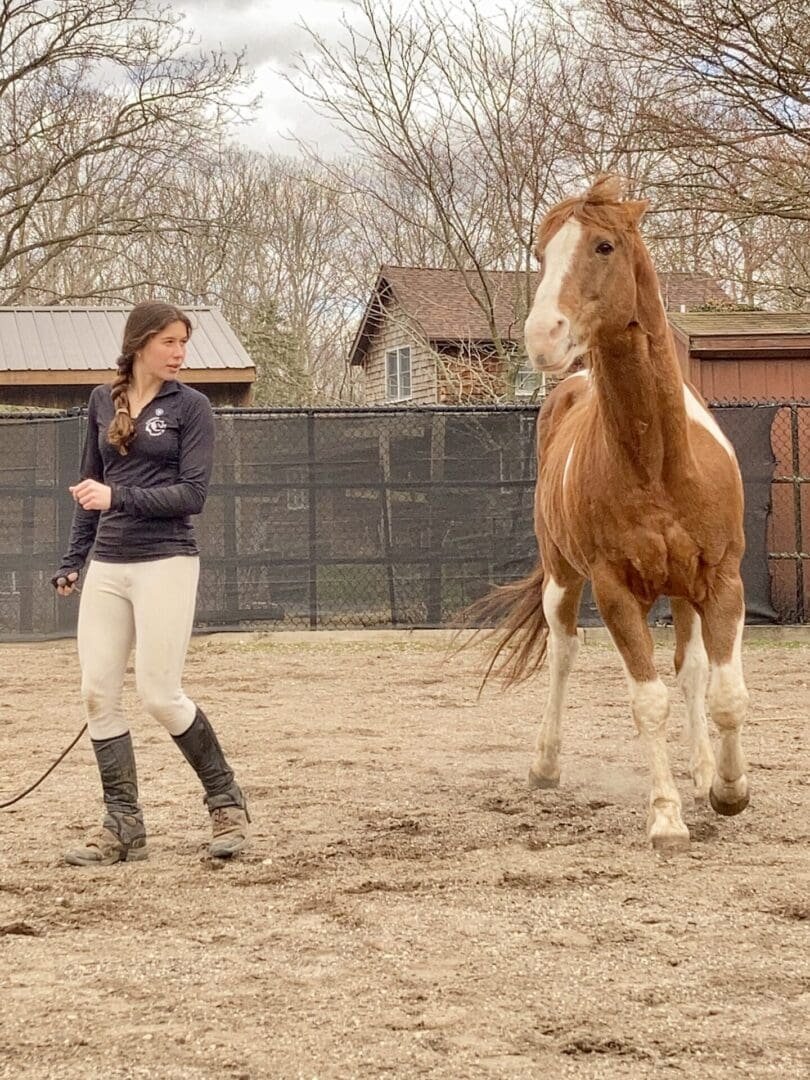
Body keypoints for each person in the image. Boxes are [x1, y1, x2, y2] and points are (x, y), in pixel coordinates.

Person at [52, 301, 250, 865]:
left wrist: (119, 498)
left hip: (167, 560)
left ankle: (226, 803)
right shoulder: (100, 401)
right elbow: (90, 487)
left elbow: (192, 496)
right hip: (108, 567)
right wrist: (73, 560)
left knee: (160, 694)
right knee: (96, 693)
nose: (180, 353)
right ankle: (122, 826)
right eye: (169, 342)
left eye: (184, 342)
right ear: (140, 343)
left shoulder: (193, 408)